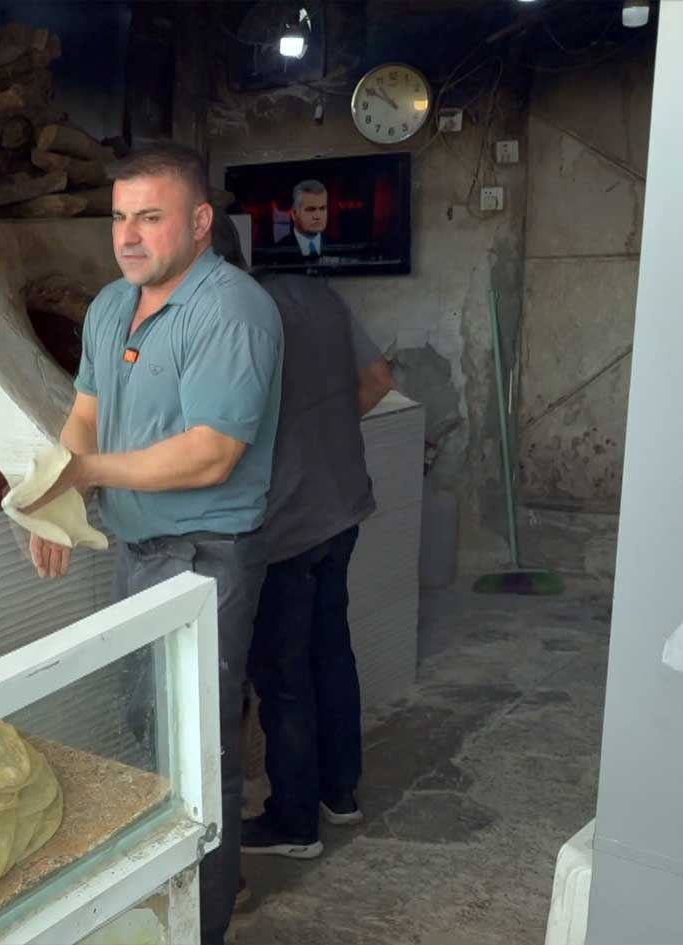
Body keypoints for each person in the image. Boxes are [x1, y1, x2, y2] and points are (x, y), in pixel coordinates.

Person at [20, 142, 283, 945]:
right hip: (139, 550)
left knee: (198, 742)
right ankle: (179, 888)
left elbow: (213, 451)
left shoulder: (231, 309)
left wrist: (88, 472)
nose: (129, 235)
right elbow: (87, 416)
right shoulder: (109, 306)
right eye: (119, 217)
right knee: (149, 726)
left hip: (207, 556)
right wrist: (57, 504)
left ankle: (201, 921)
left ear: (200, 222)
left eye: (151, 216)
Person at [234, 250, 395, 861]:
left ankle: (294, 824)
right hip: (342, 506)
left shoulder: (237, 312)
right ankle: (339, 794)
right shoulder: (322, 297)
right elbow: (379, 378)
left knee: (283, 677)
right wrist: (320, 429)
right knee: (331, 654)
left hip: (286, 523)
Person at [274, 179, 329, 258]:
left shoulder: (339, 247)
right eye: (311, 209)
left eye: (322, 208)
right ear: (294, 214)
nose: (317, 216)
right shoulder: (278, 251)